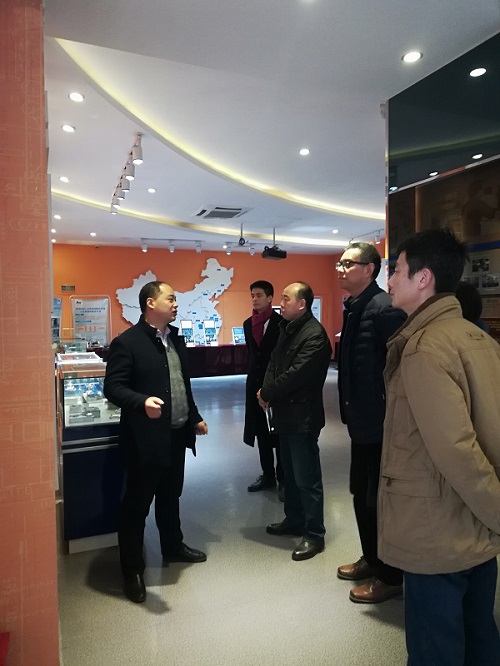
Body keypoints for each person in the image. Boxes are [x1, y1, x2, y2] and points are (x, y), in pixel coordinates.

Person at [380, 228, 500, 665]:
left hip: (437, 531)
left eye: (396, 270)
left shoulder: (425, 347)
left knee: (438, 650)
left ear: (423, 278)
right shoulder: (477, 338)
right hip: (474, 530)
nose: (390, 280)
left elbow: (456, 449)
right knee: (479, 638)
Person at [104, 281, 208, 604]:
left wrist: (194, 416)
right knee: (137, 506)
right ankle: (132, 571)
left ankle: (172, 546)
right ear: (151, 303)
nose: (176, 304)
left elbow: (182, 383)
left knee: (170, 495)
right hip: (145, 440)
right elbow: (113, 387)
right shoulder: (127, 342)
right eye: (170, 299)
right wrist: (141, 402)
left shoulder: (175, 338)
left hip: (176, 434)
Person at [336, 242, 406, 603]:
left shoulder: (382, 309)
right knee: (361, 495)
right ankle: (372, 558)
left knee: (378, 502)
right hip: (361, 422)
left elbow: (399, 370)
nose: (341, 269)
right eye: (340, 263)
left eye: (348, 264)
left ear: (369, 269)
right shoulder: (355, 308)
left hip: (381, 425)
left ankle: (390, 576)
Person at [258, 282, 332, 561]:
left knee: (306, 478)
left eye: (286, 299)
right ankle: (294, 519)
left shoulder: (314, 335)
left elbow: (296, 375)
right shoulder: (288, 329)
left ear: (302, 304)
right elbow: (274, 363)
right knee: (289, 473)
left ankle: (314, 534)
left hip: (303, 417)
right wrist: (265, 391)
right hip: (285, 416)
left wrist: (267, 392)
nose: (281, 303)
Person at [243, 281, 284, 497]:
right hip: (254, 385)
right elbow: (253, 354)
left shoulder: (282, 324)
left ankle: (284, 478)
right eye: (252, 295)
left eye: (259, 295)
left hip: (276, 385)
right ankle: (268, 474)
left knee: (280, 433)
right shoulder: (248, 324)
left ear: (269, 298)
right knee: (261, 432)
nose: (254, 299)